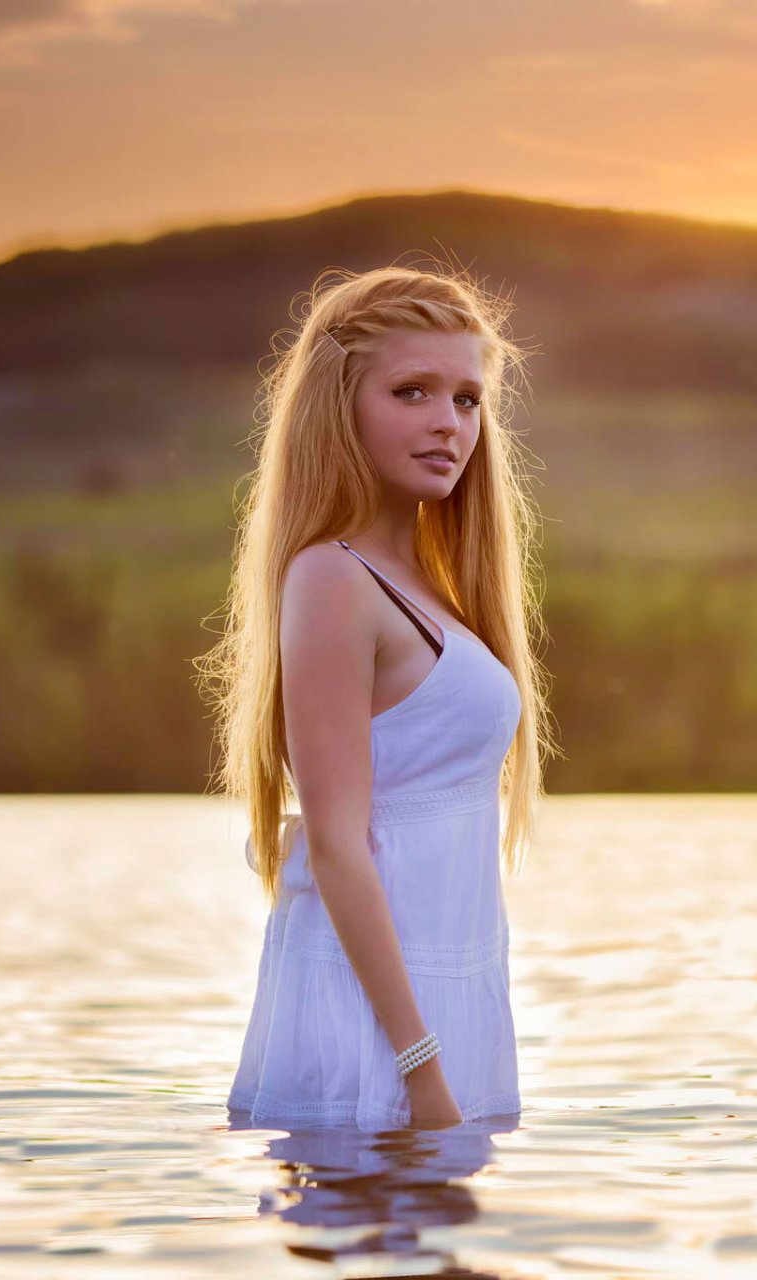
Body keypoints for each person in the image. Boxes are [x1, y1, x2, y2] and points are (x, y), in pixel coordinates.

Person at [201, 262, 554, 1131]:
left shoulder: (426, 588)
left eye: (468, 399)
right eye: (413, 391)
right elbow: (337, 841)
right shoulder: (332, 578)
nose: (448, 422)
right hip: (383, 1038)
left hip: (441, 1009)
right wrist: (420, 1068)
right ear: (341, 406)